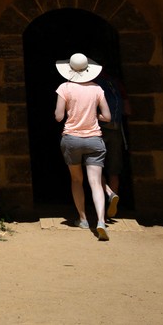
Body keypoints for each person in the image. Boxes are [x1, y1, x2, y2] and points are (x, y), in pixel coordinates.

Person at [54, 51, 111, 240]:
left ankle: (83, 218)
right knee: (95, 182)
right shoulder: (97, 89)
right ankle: (101, 221)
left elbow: (59, 116)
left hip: (72, 138)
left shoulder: (64, 88)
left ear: (70, 70)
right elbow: (107, 117)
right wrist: (96, 117)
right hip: (94, 139)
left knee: (77, 180)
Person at [97, 68, 129, 219]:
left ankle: (104, 202)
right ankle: (112, 204)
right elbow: (128, 110)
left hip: (98, 131)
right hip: (116, 130)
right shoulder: (116, 83)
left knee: (95, 170)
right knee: (114, 171)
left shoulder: (93, 84)